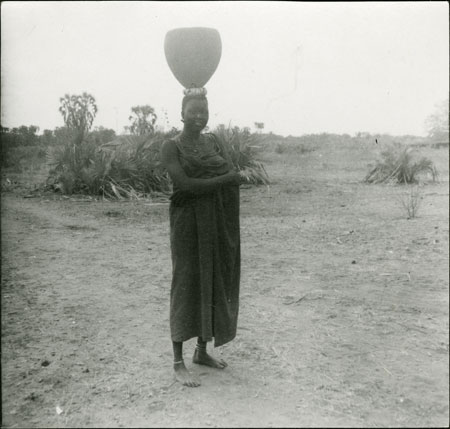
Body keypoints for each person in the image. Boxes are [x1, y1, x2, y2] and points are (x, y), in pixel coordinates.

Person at [161, 89, 242, 387]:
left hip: (216, 219)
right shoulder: (171, 147)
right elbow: (185, 185)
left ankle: (201, 352)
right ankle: (177, 363)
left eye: (203, 111)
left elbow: (227, 172)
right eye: (193, 110)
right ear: (182, 112)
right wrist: (224, 181)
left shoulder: (215, 142)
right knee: (185, 282)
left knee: (212, 279)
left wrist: (220, 181)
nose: (199, 116)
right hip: (187, 224)